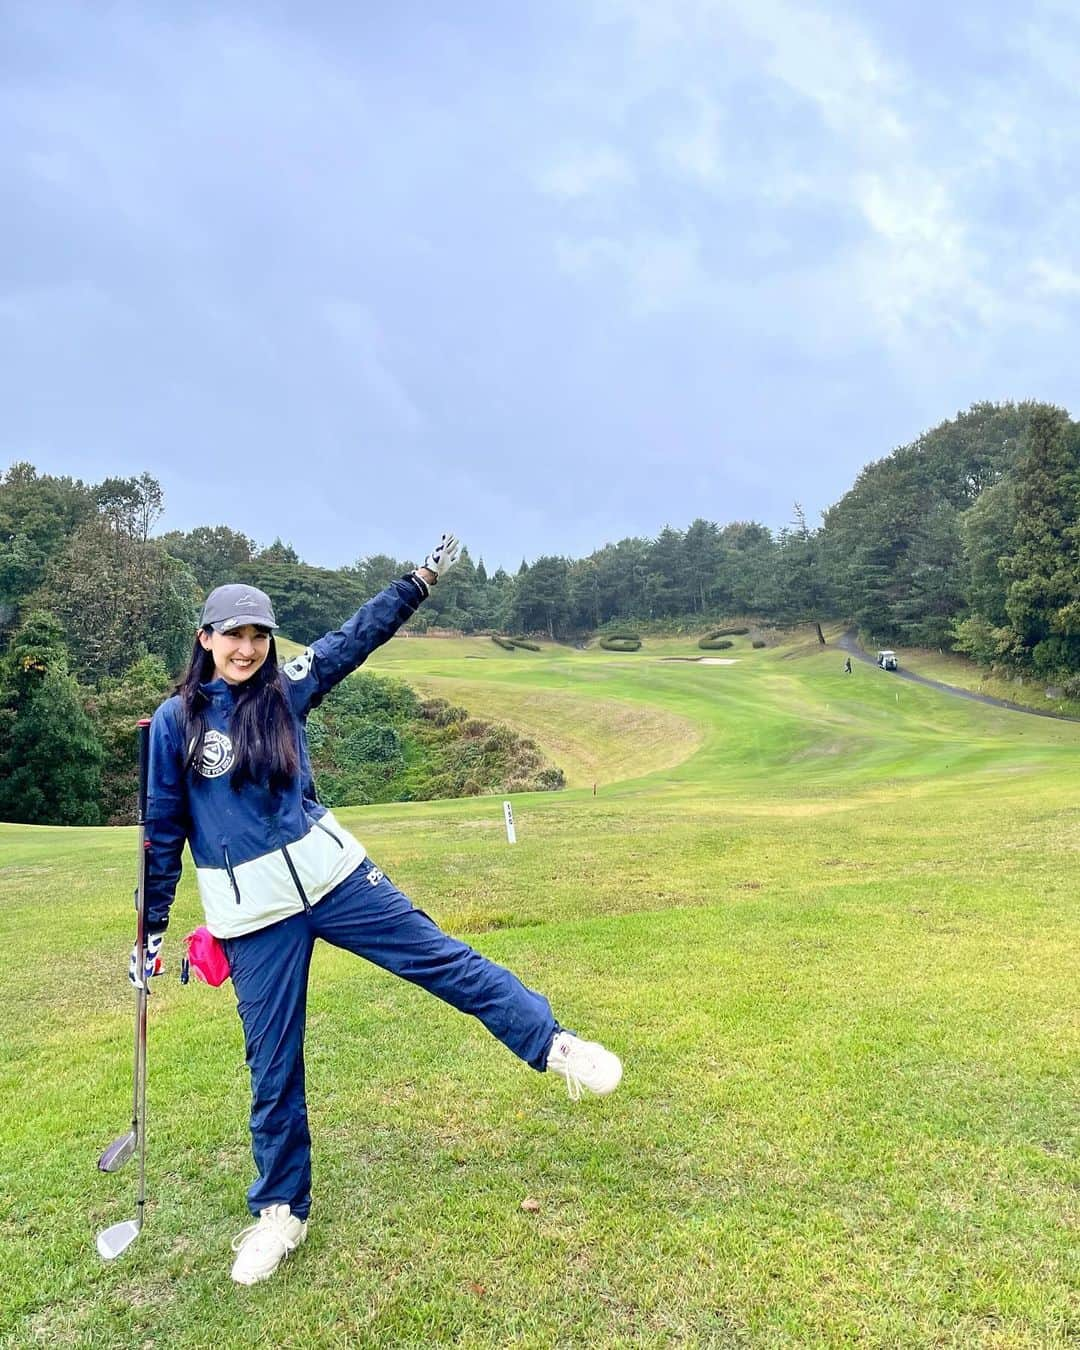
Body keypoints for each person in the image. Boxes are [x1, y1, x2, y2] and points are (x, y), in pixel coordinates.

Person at [129, 533, 622, 1285]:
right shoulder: (175, 723)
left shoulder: (285, 687)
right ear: (206, 638)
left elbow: (352, 638)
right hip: (252, 918)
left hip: (336, 879)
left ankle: (555, 1045)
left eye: (259, 634)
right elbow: (162, 829)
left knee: (445, 961)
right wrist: (151, 929)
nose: (248, 647)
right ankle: (280, 1213)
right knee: (272, 1066)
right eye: (234, 634)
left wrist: (418, 582)